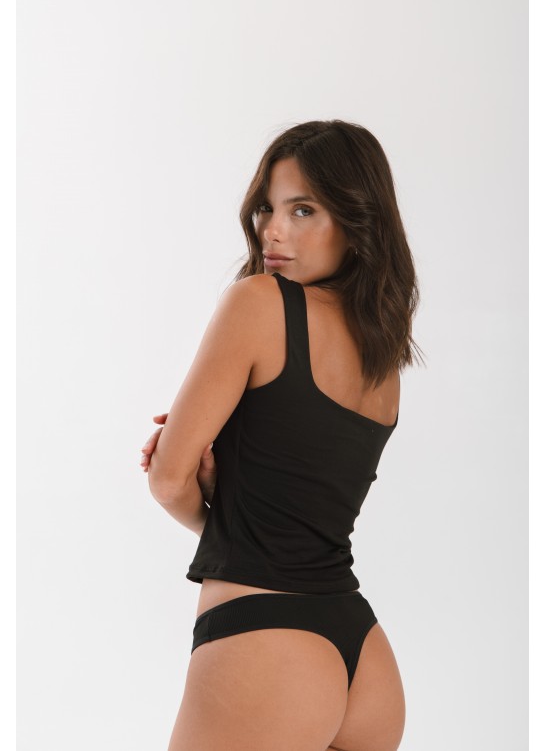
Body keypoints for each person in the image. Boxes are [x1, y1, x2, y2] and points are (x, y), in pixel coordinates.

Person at [140, 120, 423, 751]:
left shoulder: (259, 302)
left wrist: (213, 502)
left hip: (268, 646)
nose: (272, 230)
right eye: (267, 208)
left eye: (303, 210)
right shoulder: (383, 358)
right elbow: (301, 509)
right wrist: (234, 498)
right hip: (363, 659)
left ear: (358, 219)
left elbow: (166, 480)